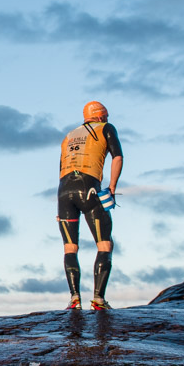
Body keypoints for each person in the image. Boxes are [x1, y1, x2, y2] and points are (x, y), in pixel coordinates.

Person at [57, 101, 123, 310]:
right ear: (101, 116)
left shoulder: (68, 135)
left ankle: (74, 299)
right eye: (107, 116)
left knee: (70, 247)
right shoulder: (106, 128)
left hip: (64, 191)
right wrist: (112, 187)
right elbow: (118, 156)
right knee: (104, 244)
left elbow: (61, 168)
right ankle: (99, 300)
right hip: (89, 186)